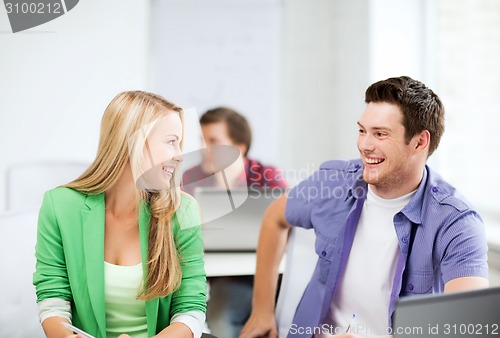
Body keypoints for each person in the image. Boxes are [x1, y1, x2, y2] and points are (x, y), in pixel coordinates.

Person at [240, 76, 489, 338]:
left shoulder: (456, 222)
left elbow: (467, 328)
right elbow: (274, 218)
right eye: (362, 131)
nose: (364, 145)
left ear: (419, 142)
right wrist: (261, 310)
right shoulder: (333, 181)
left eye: (380, 134)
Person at [33, 91, 209, 338]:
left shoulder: (183, 211)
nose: (179, 155)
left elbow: (191, 310)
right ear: (133, 142)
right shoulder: (60, 205)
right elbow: (53, 300)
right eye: (171, 141)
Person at [182, 107, 287, 338]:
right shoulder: (190, 178)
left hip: (272, 274)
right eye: (202, 140)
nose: (204, 149)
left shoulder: (268, 176)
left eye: (213, 141)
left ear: (238, 148)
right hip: (225, 277)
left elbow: (291, 223)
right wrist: (221, 185)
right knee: (222, 322)